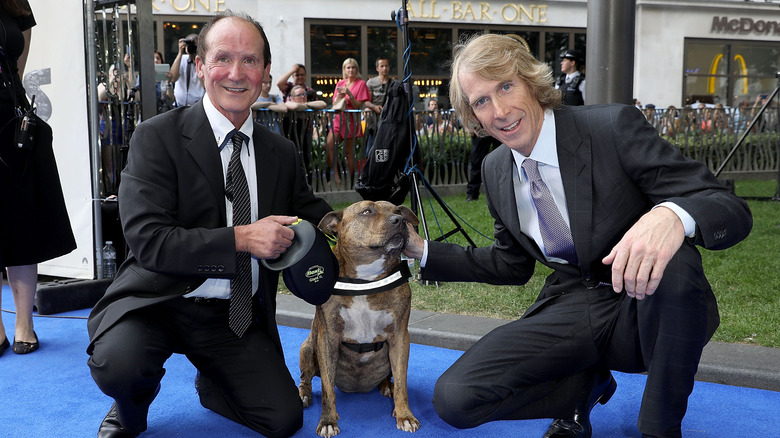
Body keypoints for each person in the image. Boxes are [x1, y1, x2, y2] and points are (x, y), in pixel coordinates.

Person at [402, 33, 752, 438]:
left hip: (647, 305)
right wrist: (421, 249)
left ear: (530, 82)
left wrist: (673, 215)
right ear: (472, 115)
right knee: (456, 398)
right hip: (570, 306)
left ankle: (659, 427)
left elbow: (727, 205)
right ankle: (581, 389)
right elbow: (510, 264)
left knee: (673, 257)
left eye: (505, 86)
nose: (499, 110)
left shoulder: (611, 127)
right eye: (481, 101)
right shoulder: (496, 169)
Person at [86, 11, 332, 438]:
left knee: (283, 419)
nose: (236, 73)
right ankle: (129, 405)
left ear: (267, 73)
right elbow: (149, 241)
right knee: (118, 366)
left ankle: (215, 380)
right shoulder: (156, 137)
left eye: (250, 61)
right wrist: (242, 238)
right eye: (222, 59)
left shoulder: (280, 153)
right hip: (157, 302)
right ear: (200, 67)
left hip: (233, 316)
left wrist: (364, 221)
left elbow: (312, 213)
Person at [0, 0, 76, 357]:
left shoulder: (13, 4)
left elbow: (18, 62)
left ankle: (23, 323)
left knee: (22, 217)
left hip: (11, 122)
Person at [325, 57, 369, 184]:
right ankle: (336, 175)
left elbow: (358, 105)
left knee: (349, 152)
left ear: (357, 69)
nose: (351, 70)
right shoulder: (340, 83)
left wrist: (349, 93)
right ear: (344, 69)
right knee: (329, 145)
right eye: (348, 67)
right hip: (338, 120)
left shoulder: (361, 84)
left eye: (353, 67)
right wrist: (339, 97)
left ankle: (349, 179)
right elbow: (335, 103)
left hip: (351, 122)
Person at [285, 84, 326, 181]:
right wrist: (306, 106)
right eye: (299, 95)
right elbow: (294, 106)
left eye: (304, 94)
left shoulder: (307, 105)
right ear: (292, 97)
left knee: (305, 160)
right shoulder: (288, 103)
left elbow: (323, 104)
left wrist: (305, 105)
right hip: (291, 139)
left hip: (304, 138)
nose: (303, 97)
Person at [363, 56, 391, 153]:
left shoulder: (393, 83)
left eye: (386, 66)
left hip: (389, 120)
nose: (384, 68)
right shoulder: (371, 82)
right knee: (371, 149)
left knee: (387, 148)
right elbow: (366, 101)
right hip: (374, 120)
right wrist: (374, 107)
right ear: (377, 68)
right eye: (382, 66)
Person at [169, 33, 205, 107]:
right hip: (179, 106)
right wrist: (180, 53)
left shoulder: (203, 62)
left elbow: (204, 85)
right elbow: (173, 78)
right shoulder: (182, 59)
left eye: (195, 46)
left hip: (196, 106)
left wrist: (196, 60)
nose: (193, 48)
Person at [465, 134, 500, 201]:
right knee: (476, 161)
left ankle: (503, 192)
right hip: (480, 128)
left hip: (499, 127)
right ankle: (472, 194)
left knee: (502, 160)